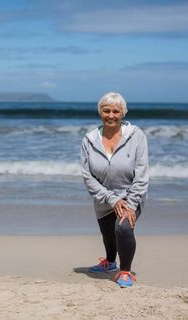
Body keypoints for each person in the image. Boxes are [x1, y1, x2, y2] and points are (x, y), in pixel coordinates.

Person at [80, 92, 149, 288]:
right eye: (106, 110)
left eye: (116, 111)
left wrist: (130, 204)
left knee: (123, 228)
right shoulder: (89, 139)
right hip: (104, 198)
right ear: (100, 112)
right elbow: (87, 176)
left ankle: (125, 271)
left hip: (130, 195)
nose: (111, 115)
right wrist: (111, 199)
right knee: (108, 234)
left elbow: (142, 174)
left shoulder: (136, 136)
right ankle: (110, 263)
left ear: (123, 113)